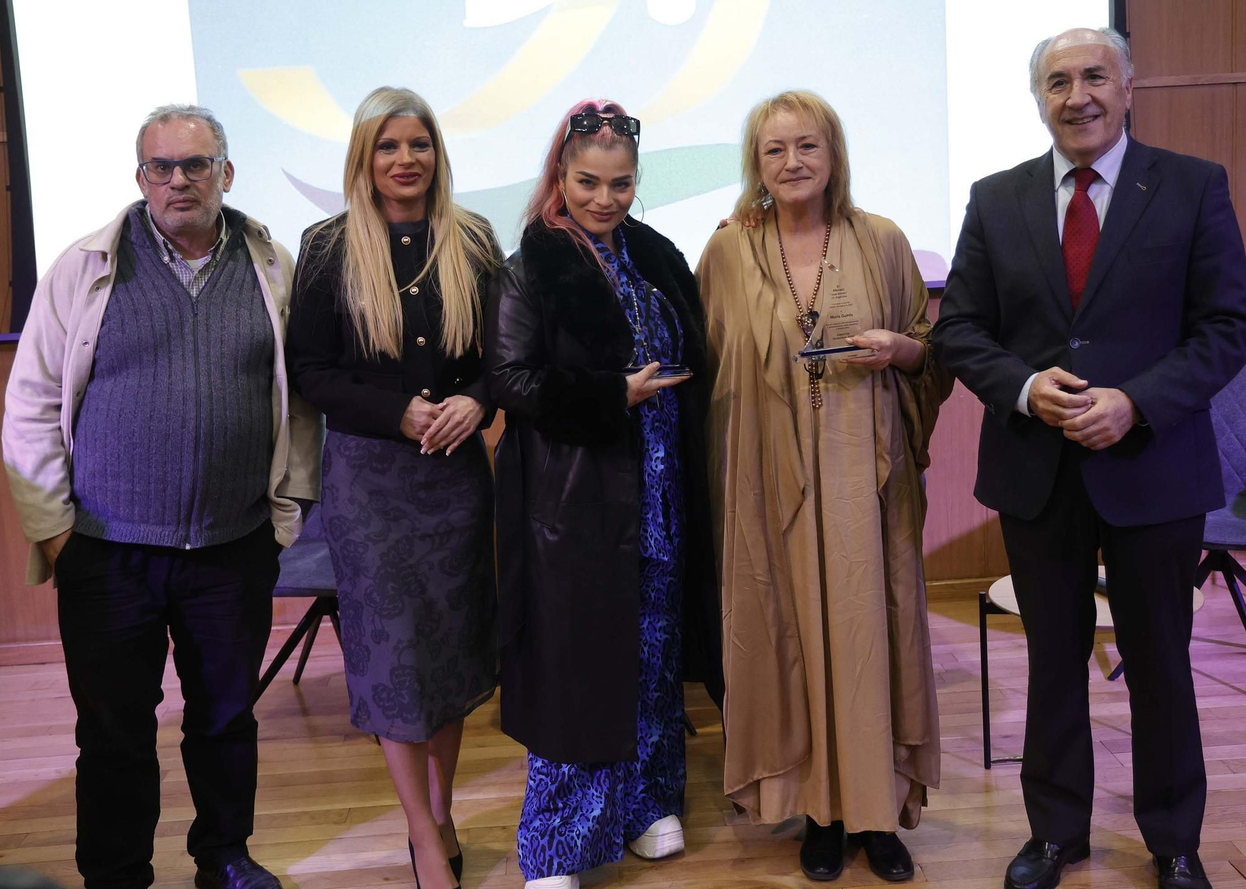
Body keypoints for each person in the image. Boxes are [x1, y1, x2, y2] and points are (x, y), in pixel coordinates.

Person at [933, 28, 1246, 889]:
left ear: (1127, 86)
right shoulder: (995, 198)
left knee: (1160, 659)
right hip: (1036, 470)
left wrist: (1136, 401)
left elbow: (1229, 326)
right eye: (1056, 82)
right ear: (1038, 98)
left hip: (1153, 466)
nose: (1076, 96)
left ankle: (1173, 838)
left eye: (1093, 77)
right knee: (1052, 660)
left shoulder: (1193, 187)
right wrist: (1024, 385)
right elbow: (959, 328)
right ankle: (1055, 833)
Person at [1, 104, 323, 889]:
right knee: (113, 732)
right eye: (161, 166)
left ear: (226, 173)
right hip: (107, 552)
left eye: (196, 164)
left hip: (231, 548)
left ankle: (224, 856)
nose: (179, 180)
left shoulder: (272, 264)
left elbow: (301, 402)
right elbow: (32, 403)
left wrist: (284, 517)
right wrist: (55, 534)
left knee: (225, 720)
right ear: (140, 176)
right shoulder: (85, 267)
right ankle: (116, 875)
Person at [696, 89, 953, 884]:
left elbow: (929, 351)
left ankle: (878, 812)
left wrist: (901, 354)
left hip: (865, 487)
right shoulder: (728, 250)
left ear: (833, 154)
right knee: (788, 636)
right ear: (756, 164)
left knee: (871, 634)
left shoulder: (881, 241)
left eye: (807, 146)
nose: (792, 162)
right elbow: (705, 371)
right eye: (774, 150)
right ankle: (816, 809)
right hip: (765, 487)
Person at [486, 99, 722, 889]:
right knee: (579, 667)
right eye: (588, 181)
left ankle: (647, 804)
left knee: (654, 656)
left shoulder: (652, 254)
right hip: (576, 501)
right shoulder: (531, 266)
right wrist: (607, 395)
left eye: (621, 184)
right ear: (560, 173)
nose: (604, 198)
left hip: (659, 490)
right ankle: (556, 847)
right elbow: (510, 380)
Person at [286, 86, 501, 889]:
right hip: (370, 484)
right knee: (393, 661)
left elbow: (502, 359)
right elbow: (309, 370)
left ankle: (441, 811)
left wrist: (480, 399)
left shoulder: (475, 240)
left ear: (437, 154)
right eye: (388, 145)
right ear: (363, 158)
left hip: (454, 482)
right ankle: (420, 832)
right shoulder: (328, 247)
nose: (405, 159)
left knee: (446, 656)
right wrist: (396, 412)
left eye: (419, 144)